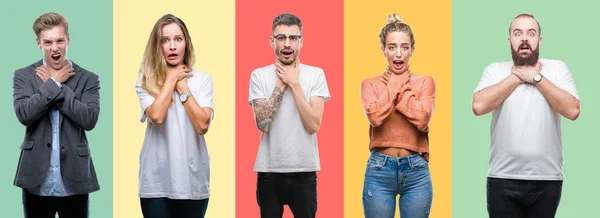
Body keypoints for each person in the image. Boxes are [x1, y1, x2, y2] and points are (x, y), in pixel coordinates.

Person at [472, 14, 580, 218]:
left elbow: (572, 110)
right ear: (510, 40)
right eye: (517, 33)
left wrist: (537, 78)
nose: (524, 39)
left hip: (547, 178)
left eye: (531, 33)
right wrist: (517, 76)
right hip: (502, 178)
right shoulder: (495, 70)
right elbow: (478, 106)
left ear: (539, 40)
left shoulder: (557, 69)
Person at [13, 12, 101, 218]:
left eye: (60, 41)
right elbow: (24, 114)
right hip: (36, 179)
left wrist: (56, 86)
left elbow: (89, 119)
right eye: (48, 42)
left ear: (68, 40)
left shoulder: (88, 78)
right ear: (39, 43)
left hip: (75, 179)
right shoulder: (23, 76)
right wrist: (53, 83)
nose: (55, 48)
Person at [248, 13, 331, 218]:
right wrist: (281, 83)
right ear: (272, 41)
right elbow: (262, 123)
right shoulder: (258, 75)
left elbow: (313, 125)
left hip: (304, 171)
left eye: (293, 38)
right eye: (281, 37)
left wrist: (294, 84)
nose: (287, 44)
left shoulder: (316, 74)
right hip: (269, 172)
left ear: (301, 41)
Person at [135, 14, 214, 218]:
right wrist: (171, 80)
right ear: (157, 45)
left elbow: (202, 125)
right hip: (156, 183)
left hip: (193, 181)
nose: (172, 46)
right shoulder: (146, 80)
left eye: (178, 39)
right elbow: (157, 116)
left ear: (186, 43)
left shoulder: (203, 80)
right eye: (165, 40)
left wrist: (183, 87)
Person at [360, 13, 436, 218]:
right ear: (384, 50)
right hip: (379, 170)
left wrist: (395, 88)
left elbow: (422, 119)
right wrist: (393, 87)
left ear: (412, 49)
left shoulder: (425, 82)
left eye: (404, 46)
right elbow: (375, 118)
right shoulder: (370, 84)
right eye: (392, 47)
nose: (398, 54)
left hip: (416, 171)